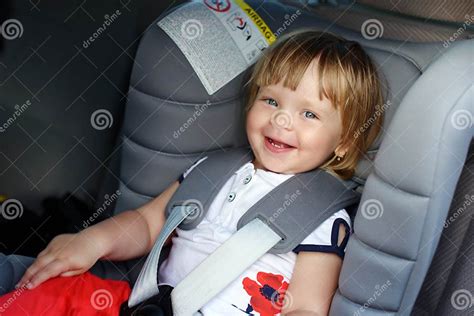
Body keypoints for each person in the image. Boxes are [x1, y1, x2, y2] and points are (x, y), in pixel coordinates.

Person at [4, 29, 385, 315]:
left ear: (345, 143)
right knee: (47, 293)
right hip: (142, 306)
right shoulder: (212, 170)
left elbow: (306, 307)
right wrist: (93, 241)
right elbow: (147, 222)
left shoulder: (321, 215)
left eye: (309, 114)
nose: (281, 119)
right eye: (271, 100)